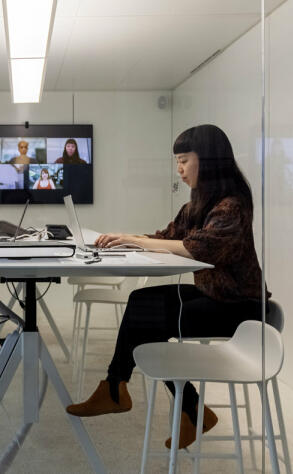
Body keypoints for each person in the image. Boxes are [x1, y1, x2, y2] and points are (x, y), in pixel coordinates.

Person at [65, 124, 280, 451]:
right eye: (176, 161)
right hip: (216, 296)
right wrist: (123, 238)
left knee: (149, 314)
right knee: (142, 302)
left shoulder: (231, 204)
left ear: (207, 160)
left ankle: (122, 391)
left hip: (241, 310)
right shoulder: (199, 203)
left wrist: (133, 241)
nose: (178, 169)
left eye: (183, 160)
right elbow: (168, 236)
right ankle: (157, 400)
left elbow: (199, 248)